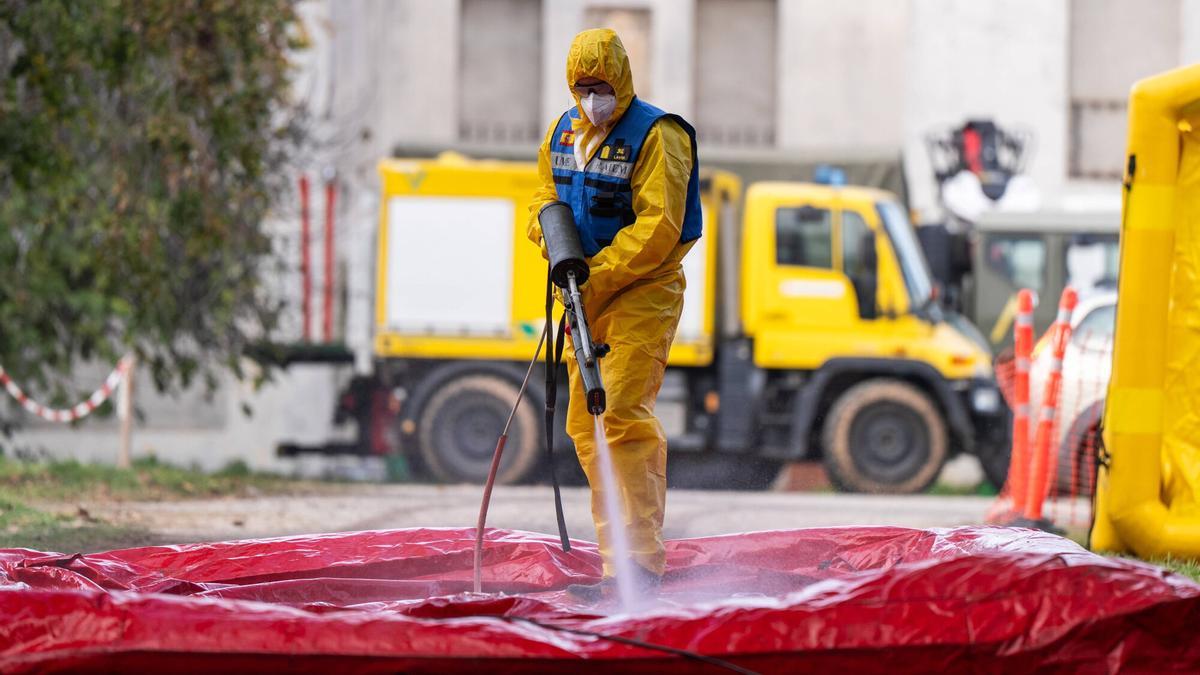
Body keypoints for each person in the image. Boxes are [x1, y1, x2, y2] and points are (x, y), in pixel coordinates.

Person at [527, 28, 702, 595]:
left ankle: (642, 567)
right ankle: (615, 568)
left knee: (621, 414)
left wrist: (595, 274)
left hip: (643, 291)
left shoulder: (658, 135)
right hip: (583, 293)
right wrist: (549, 236)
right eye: (582, 87)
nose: (591, 97)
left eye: (600, 86)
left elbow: (659, 229)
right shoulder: (562, 131)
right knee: (586, 425)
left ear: (621, 80)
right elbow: (542, 196)